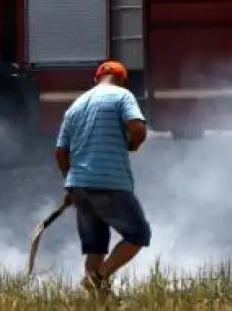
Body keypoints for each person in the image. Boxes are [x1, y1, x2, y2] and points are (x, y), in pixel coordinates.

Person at [54, 60, 150, 296]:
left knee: (95, 248)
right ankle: (98, 278)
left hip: (80, 185)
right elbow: (137, 128)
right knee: (138, 235)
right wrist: (133, 145)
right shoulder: (122, 96)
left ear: (96, 79)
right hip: (110, 182)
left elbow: (60, 151)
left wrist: (71, 184)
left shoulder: (75, 106)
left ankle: (100, 301)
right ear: (122, 80)